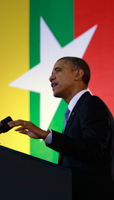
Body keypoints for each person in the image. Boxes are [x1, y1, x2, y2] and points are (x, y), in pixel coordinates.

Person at [8, 57, 114, 199]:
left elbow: (92, 149)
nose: (51, 77)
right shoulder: (75, 111)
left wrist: (47, 135)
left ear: (78, 74)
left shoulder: (91, 104)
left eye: (58, 70)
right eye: (51, 73)